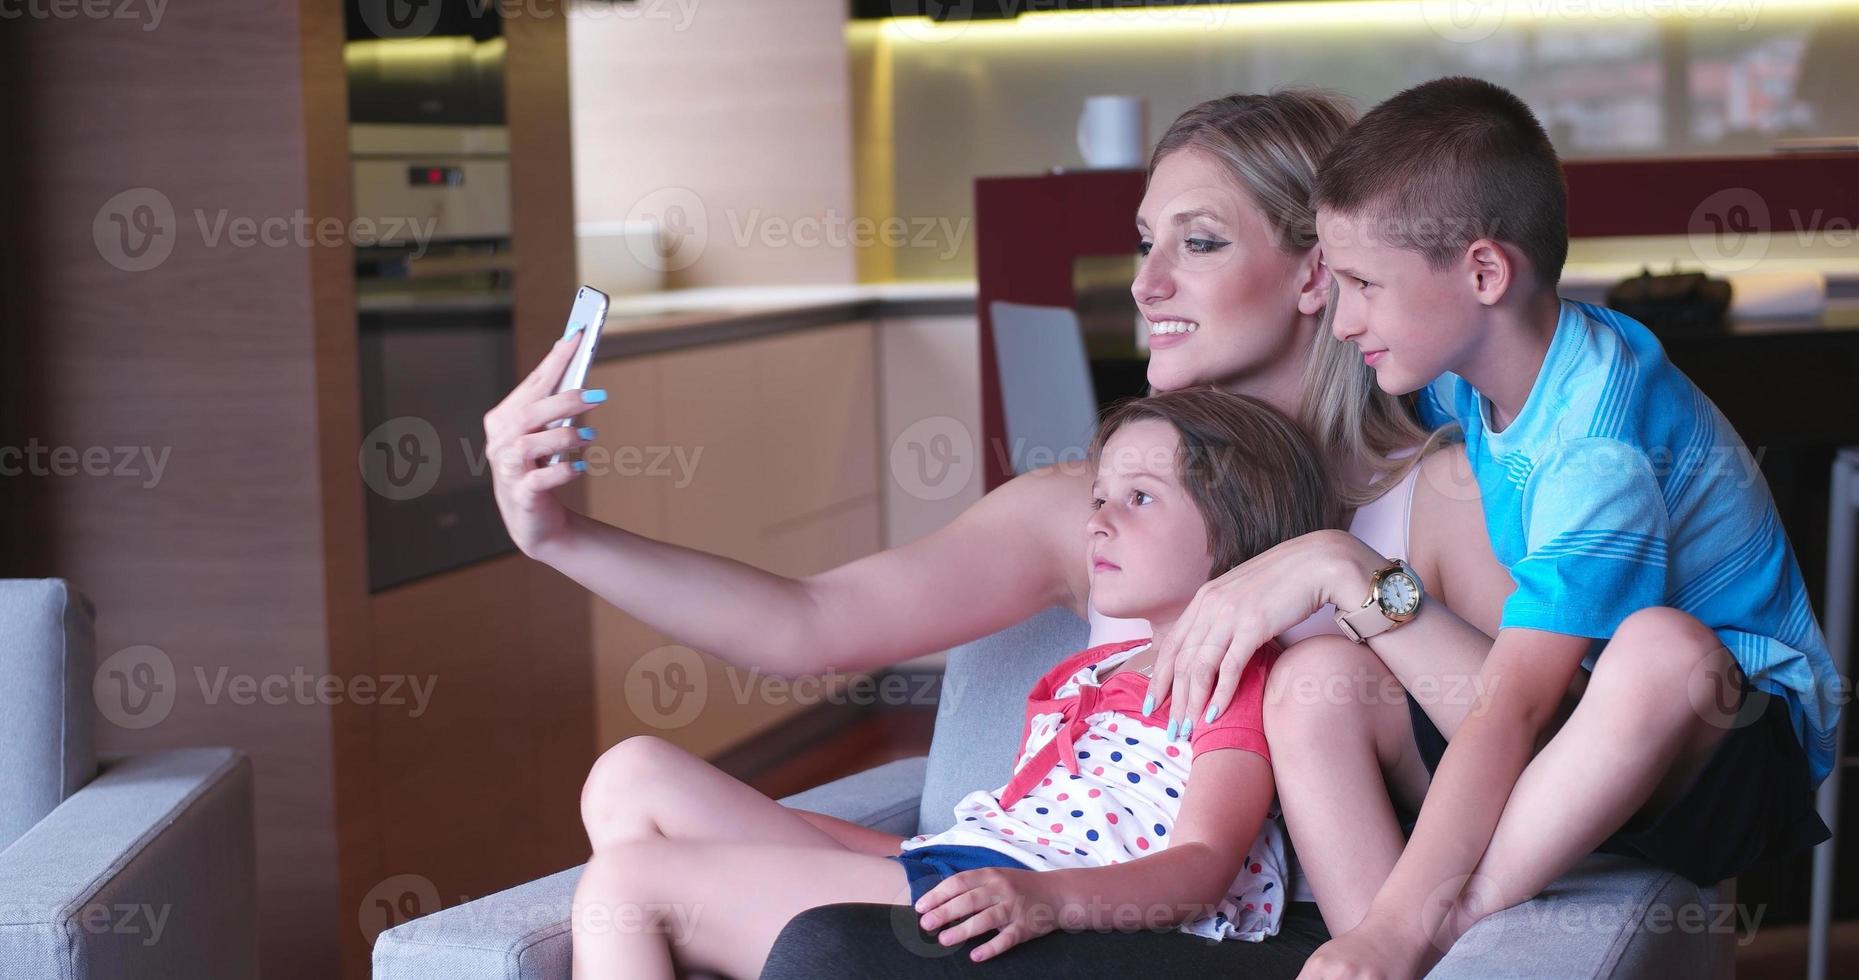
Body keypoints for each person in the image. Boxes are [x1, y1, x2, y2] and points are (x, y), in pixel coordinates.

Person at [483, 89, 1515, 977]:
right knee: (631, 793)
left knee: (663, 895)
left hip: (1223, 928)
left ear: (1313, 272)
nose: (1144, 284)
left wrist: (1344, 569)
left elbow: (1527, 734)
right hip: (1024, 880)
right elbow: (807, 622)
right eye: (1143, 242)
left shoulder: (1427, 493)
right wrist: (560, 538)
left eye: (1196, 243)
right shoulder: (1086, 511)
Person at [1153, 76, 1840, 980]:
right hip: (1578, 710)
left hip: (1726, 741)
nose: (1341, 315)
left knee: (1659, 649)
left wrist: (1410, 915)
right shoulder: (1473, 369)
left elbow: (1515, 704)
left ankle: (1439, 923)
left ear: (1483, 273)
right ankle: (1380, 949)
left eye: (1360, 284)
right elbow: (1324, 383)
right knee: (1320, 675)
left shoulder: (1594, 451)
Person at [565, 388, 1338, 977]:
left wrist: (1050, 901)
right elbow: (1014, 819)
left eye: (1139, 499)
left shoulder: (1234, 679)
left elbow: (1204, 865)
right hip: (965, 865)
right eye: (1098, 497)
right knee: (631, 776)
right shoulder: (1089, 673)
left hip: (1037, 903)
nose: (1097, 520)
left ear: (1241, 530)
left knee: (629, 883)